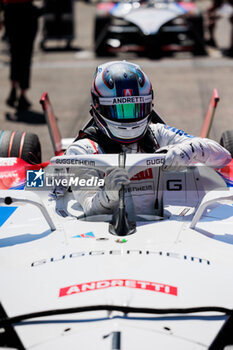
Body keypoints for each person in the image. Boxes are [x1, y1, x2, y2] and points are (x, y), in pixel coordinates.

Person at [52, 60, 231, 216]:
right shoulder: (82, 152)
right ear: (98, 107)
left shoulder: (157, 134)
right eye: (120, 110)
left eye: (136, 108)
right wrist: (109, 193)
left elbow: (224, 158)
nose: (129, 119)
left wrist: (190, 150)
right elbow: (90, 208)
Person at [0, 0, 40, 110]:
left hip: (11, 12)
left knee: (15, 54)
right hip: (26, 12)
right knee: (25, 56)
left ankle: (13, 89)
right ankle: (22, 93)